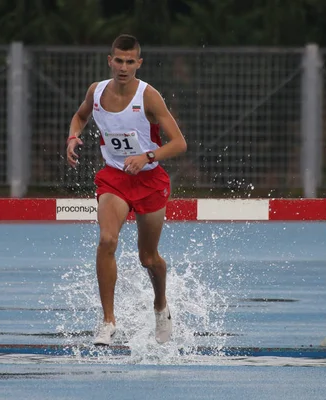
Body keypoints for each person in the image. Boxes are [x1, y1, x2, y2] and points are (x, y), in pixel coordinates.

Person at [66, 34, 187, 346]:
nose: (123, 67)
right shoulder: (96, 91)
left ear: (139, 63)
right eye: (118, 60)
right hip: (114, 178)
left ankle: (161, 305)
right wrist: (73, 137)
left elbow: (179, 143)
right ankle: (108, 321)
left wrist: (147, 156)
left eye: (129, 61)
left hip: (149, 180)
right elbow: (80, 116)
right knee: (107, 239)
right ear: (110, 61)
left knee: (148, 258)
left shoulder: (149, 96)